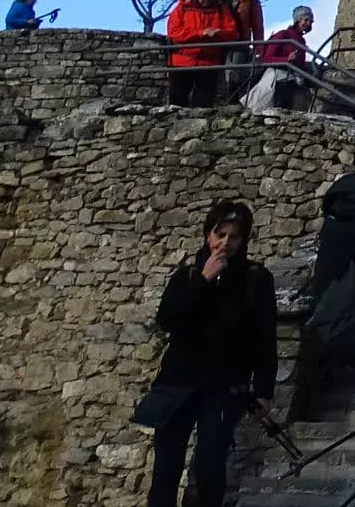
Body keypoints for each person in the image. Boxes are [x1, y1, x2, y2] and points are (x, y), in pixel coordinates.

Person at [141, 200, 277, 507]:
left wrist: (264, 389)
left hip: (224, 386)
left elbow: (264, 337)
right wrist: (203, 280)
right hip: (177, 384)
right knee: (166, 469)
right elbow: (167, 320)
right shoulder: (187, 277)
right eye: (220, 234)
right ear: (208, 235)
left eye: (234, 236)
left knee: (211, 465)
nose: (226, 242)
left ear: (244, 240)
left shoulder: (256, 279)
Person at [164, 0, 236, 108]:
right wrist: (200, 33)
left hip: (209, 63)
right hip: (181, 62)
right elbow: (174, 33)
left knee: (203, 106)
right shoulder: (182, 8)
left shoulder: (221, 10)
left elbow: (232, 33)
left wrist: (219, 33)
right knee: (176, 104)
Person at [247, 6, 317, 112]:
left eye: (311, 21)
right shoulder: (283, 35)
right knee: (280, 109)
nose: (308, 24)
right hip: (279, 79)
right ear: (297, 20)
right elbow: (267, 58)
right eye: (306, 20)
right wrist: (286, 59)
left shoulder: (301, 40)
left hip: (294, 80)